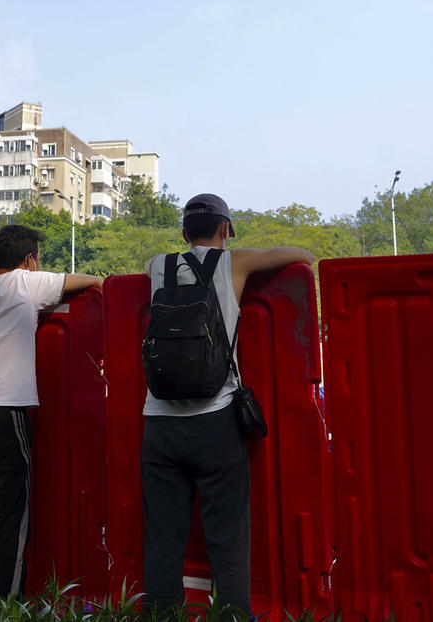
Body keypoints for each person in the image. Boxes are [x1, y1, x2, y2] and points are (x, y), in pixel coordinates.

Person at [141, 193, 315, 619]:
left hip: (159, 424)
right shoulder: (235, 263)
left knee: (163, 538)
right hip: (216, 422)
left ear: (183, 233)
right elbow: (303, 257)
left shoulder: (155, 266)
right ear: (225, 230)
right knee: (227, 537)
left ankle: (163, 615)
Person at [0, 224, 103, 595]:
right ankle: (5, 607)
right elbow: (91, 280)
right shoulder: (27, 283)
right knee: (8, 522)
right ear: (30, 261)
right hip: (1, 415)